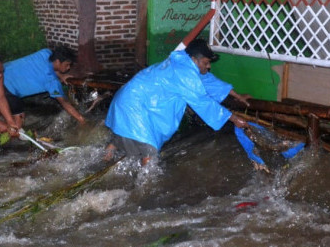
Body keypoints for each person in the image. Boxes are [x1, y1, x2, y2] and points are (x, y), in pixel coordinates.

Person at [104, 38, 251, 165]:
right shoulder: (184, 73)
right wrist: (233, 118)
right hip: (135, 107)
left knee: (122, 135)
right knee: (149, 151)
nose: (209, 66)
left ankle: (105, 158)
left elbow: (207, 81)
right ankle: (144, 189)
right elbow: (202, 101)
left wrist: (237, 96)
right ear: (195, 59)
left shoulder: (181, 62)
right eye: (206, 63)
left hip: (124, 100)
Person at [0, 46, 86, 128]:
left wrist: (61, 75)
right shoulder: (52, 82)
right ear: (58, 61)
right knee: (18, 122)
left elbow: (51, 67)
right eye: (67, 65)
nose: (68, 68)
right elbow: (64, 102)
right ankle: (6, 142)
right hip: (9, 91)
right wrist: (81, 119)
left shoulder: (45, 53)